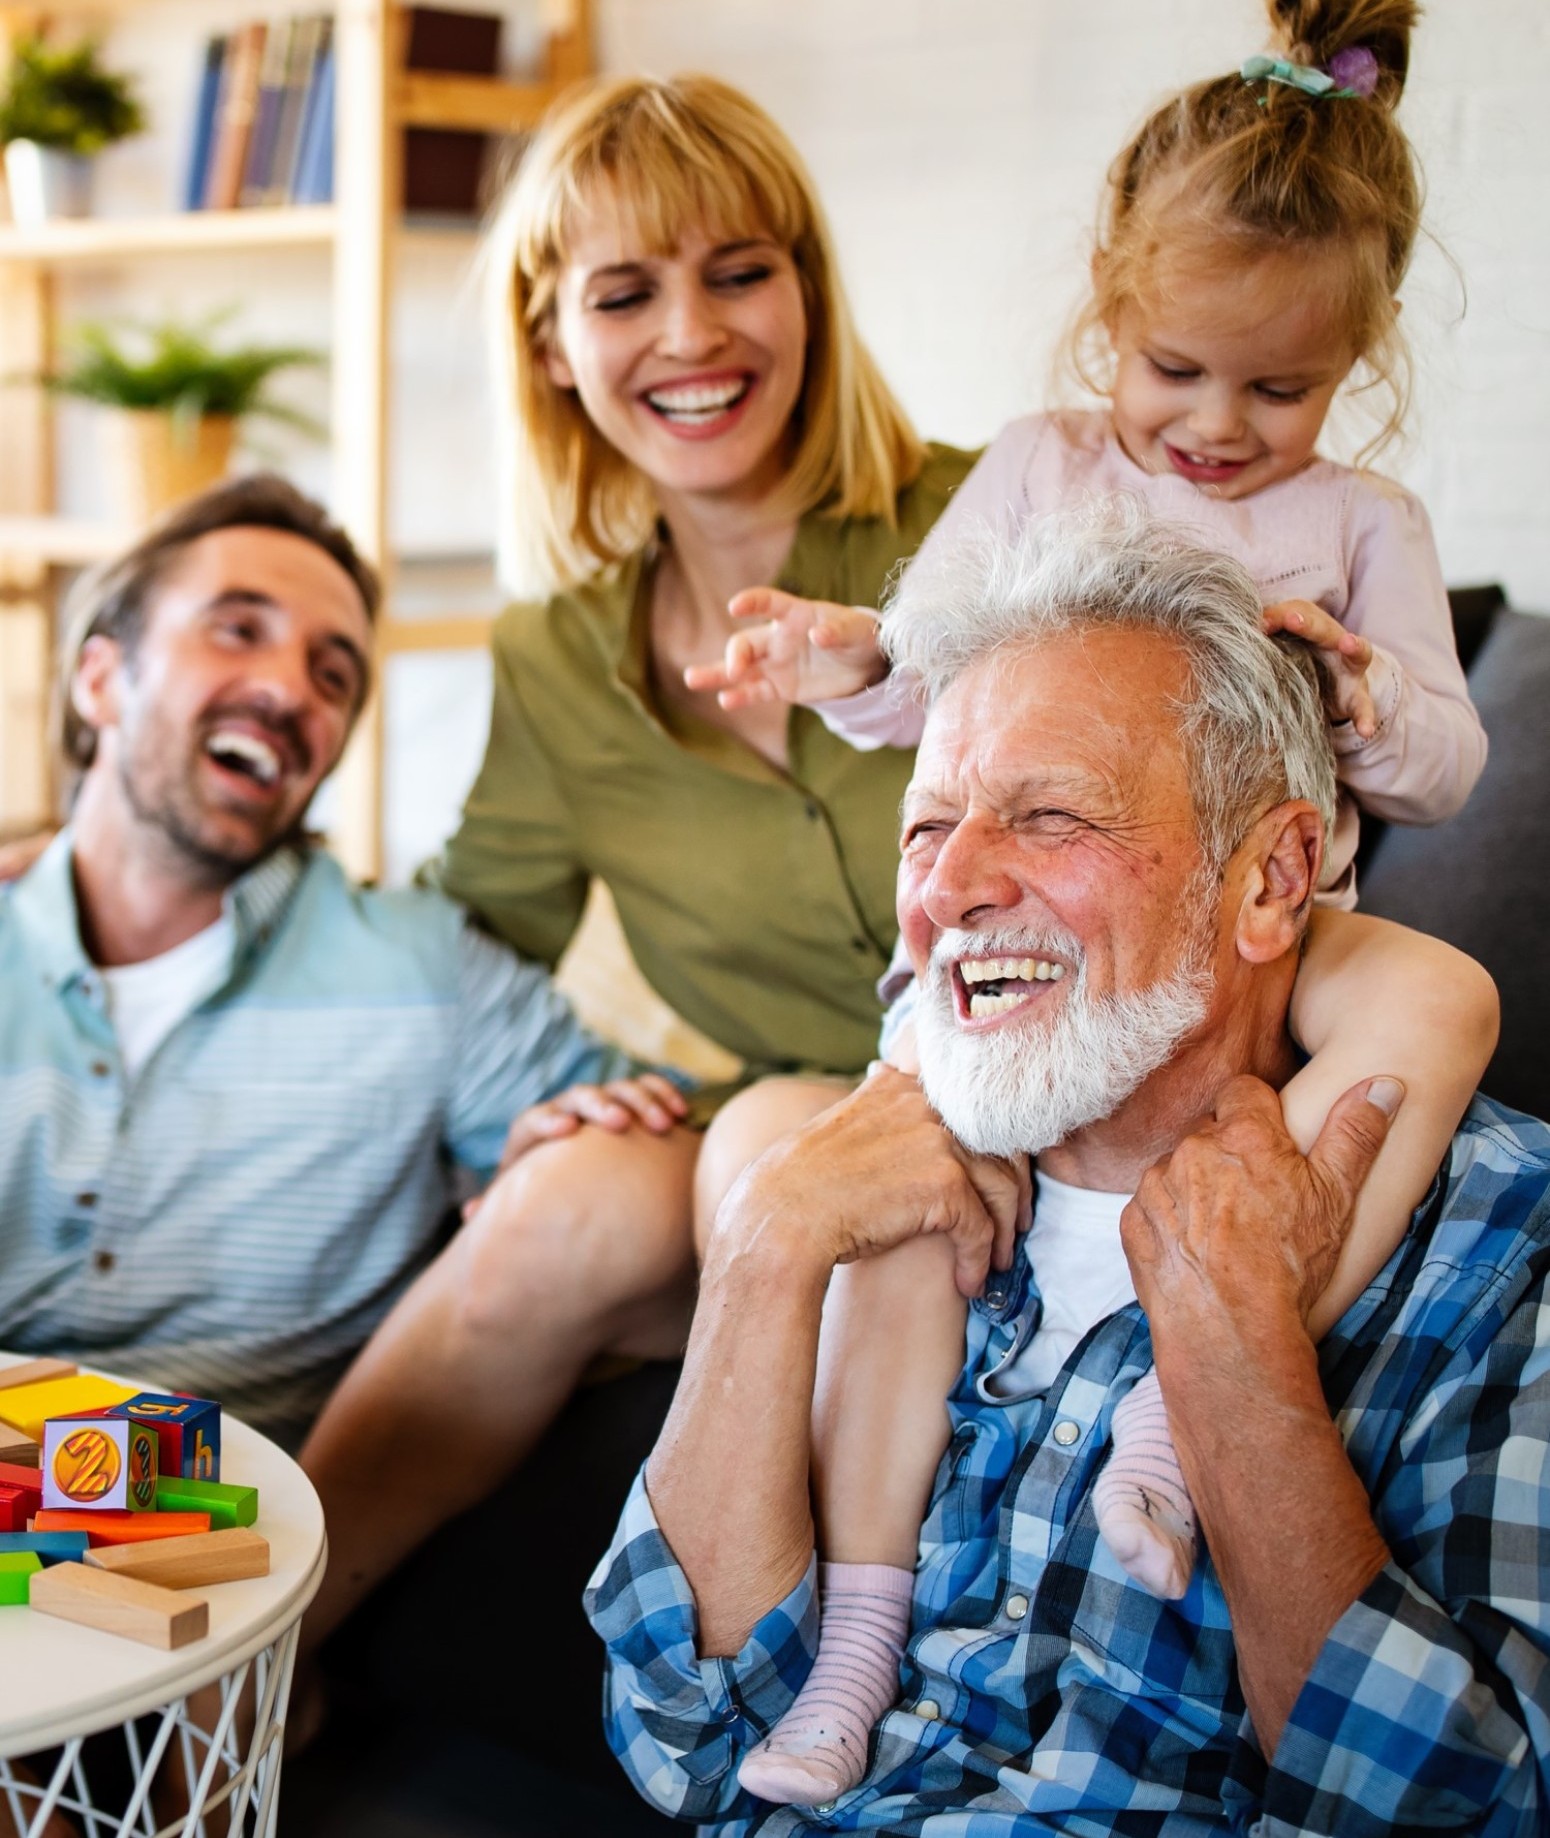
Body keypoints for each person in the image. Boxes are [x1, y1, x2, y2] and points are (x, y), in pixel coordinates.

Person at [687, 0, 1498, 1800]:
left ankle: (1172, 1412)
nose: (1216, 427)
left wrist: (1367, 694)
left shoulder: (1363, 521)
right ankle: (863, 1641)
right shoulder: (1045, 466)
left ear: (1353, 368)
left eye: (1275, 390)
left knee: (1441, 1001)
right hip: (1038, 977)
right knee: (904, 1213)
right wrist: (844, 655)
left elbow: (1446, 764)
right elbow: (923, 693)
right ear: (1107, 319)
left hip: (1276, 948)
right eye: (1177, 370)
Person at [586, 505, 1550, 1835]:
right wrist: (764, 1249)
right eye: (927, 829)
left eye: (1047, 816)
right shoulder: (873, 1191)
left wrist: (1234, 1354)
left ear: (1272, 878)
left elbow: (1466, 1806)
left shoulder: (1502, 1244)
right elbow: (680, 1735)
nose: (952, 888)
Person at [294, 72, 980, 1646]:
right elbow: (453, 938)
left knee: (770, 1167)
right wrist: (137, 868)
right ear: (552, 344)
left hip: (1028, 1117)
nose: (691, 335)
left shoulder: (993, 520)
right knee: (565, 1194)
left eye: (739, 270)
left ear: (805, 288)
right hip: (785, 1153)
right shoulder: (556, 657)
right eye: (625, 292)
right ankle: (253, 1666)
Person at [0, 475, 681, 1446]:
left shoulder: (425, 967)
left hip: (244, 1561)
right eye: (236, 629)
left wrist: (580, 1153)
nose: (287, 689)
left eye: (333, 674)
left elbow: (681, 1191)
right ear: (100, 678)